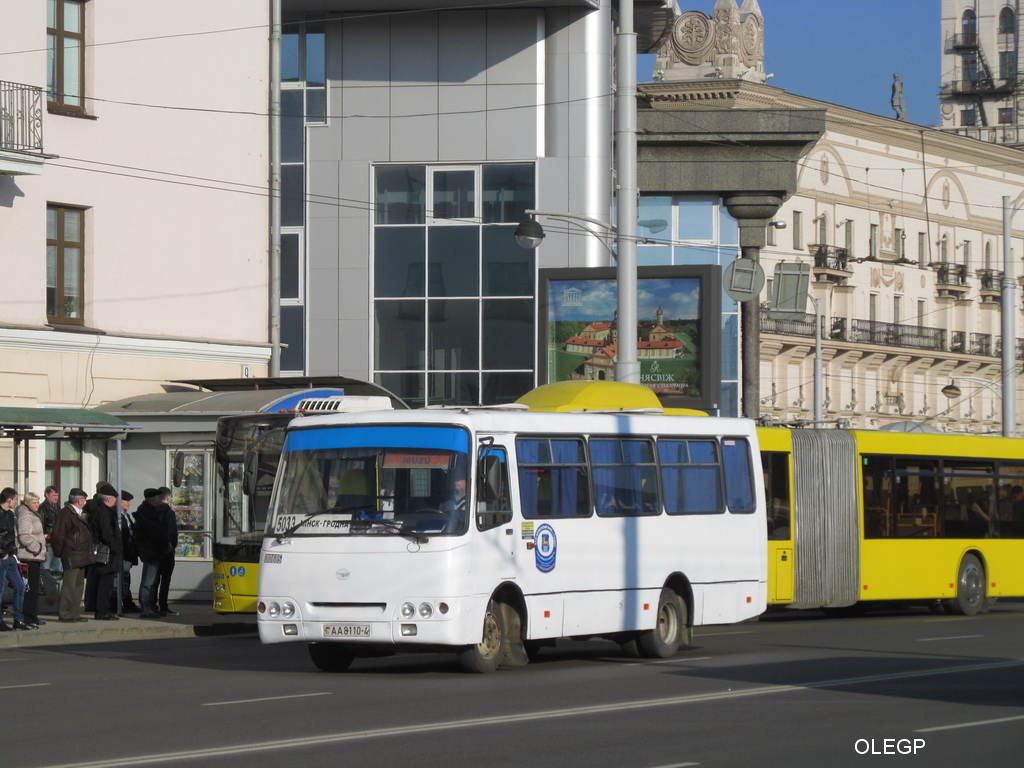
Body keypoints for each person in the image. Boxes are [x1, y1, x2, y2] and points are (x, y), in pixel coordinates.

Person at [50, 488, 93, 623]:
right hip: (71, 554)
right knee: (69, 585)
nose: (85, 503)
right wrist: (60, 553)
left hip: (81, 554)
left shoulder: (79, 513)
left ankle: (74, 613)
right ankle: (65, 613)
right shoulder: (66, 513)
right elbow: (58, 535)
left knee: (79, 585)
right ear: (79, 501)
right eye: (84, 500)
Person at [133, 487, 175, 619]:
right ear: (153, 499)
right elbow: (156, 532)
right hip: (151, 551)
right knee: (148, 581)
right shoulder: (148, 513)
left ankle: (150, 607)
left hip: (153, 551)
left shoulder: (149, 511)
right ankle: (146, 608)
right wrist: (167, 544)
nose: (159, 499)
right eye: (157, 497)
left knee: (152, 580)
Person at [86, 483, 123, 620]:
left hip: (106, 552)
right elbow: (107, 534)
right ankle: (102, 611)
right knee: (104, 583)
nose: (116, 502)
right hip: (106, 553)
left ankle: (102, 609)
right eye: (114, 498)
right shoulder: (103, 513)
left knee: (104, 582)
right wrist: (116, 548)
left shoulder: (102, 510)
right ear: (108, 499)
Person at [0, 488, 32, 630]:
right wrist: (2, 553)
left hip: (10, 556)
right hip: (2, 557)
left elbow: (10, 535)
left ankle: (18, 620)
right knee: (0, 590)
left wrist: (13, 553)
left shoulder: (9, 514)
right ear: (9, 500)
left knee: (20, 586)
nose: (16, 502)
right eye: (15, 499)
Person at [16, 492, 48, 628]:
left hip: (35, 556)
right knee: (29, 588)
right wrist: (38, 548)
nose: (37, 505)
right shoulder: (25, 515)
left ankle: (32, 616)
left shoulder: (32, 514)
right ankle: (28, 617)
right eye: (34, 502)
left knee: (34, 589)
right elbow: (24, 536)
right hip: (29, 556)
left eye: (38, 502)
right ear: (27, 503)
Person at [153, 486, 179, 616]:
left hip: (155, 551)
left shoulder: (152, 511)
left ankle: (152, 604)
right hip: (167, 551)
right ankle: (163, 605)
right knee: (165, 580)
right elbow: (172, 532)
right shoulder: (169, 513)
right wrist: (172, 546)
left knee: (154, 579)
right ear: (168, 497)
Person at [118, 490, 140, 613]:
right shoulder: (118, 515)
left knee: (126, 579)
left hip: (128, 553)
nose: (129, 504)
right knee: (121, 579)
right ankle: (123, 602)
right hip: (123, 552)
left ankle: (127, 602)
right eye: (127, 501)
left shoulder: (125, 514)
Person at [40, 485, 63, 578]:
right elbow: (40, 527)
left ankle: (54, 591)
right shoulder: (42, 508)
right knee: (45, 570)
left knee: (56, 570)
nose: (56, 498)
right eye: (54, 495)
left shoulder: (57, 507)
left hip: (57, 543)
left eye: (57, 495)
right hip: (48, 543)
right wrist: (43, 545)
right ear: (47, 495)